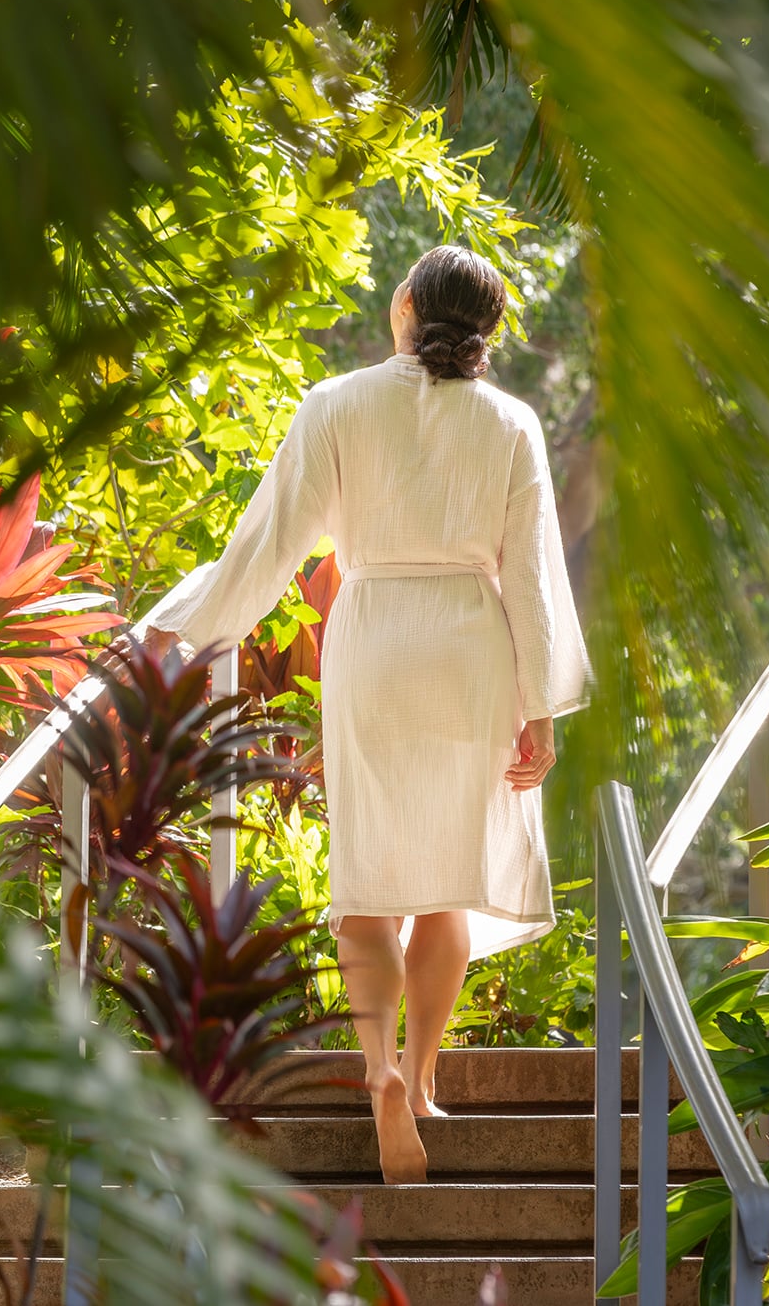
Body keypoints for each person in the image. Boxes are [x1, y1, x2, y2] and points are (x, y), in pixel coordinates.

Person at [142, 244, 589, 1184]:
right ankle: (421, 1083)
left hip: (374, 640)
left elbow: (269, 542)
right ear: (488, 330)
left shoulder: (335, 405)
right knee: (447, 882)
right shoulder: (511, 423)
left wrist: (192, 622)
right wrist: (541, 710)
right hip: (471, 652)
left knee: (370, 880)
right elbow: (533, 580)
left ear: (405, 305)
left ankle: (379, 1066)